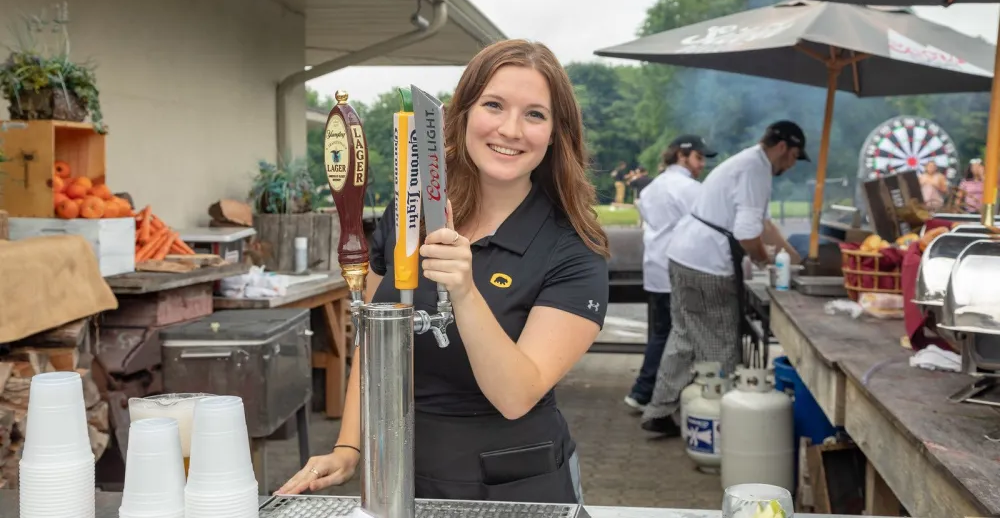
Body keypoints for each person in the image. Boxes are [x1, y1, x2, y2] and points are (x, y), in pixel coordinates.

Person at [278, 40, 610, 503]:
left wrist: (466, 293)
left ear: (556, 133)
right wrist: (349, 448)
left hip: (516, 485)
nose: (511, 129)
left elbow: (516, 395)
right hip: (402, 472)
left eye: (535, 114)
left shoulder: (573, 247)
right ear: (465, 113)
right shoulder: (409, 212)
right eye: (494, 105)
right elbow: (377, 343)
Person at [640, 121, 807, 435]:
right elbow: (747, 233)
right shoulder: (757, 170)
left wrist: (794, 259)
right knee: (721, 345)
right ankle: (725, 430)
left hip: (682, 256)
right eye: (795, 156)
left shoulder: (746, 163)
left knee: (684, 336)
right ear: (783, 147)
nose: (793, 164)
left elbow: (762, 223)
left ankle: (659, 410)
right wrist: (763, 260)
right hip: (707, 264)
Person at [624, 135, 715, 412]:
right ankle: (656, 394)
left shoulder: (653, 186)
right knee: (680, 337)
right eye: (699, 158)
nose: (701, 165)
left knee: (663, 333)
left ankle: (645, 391)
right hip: (679, 268)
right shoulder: (689, 188)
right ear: (682, 156)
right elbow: (708, 226)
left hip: (655, 267)